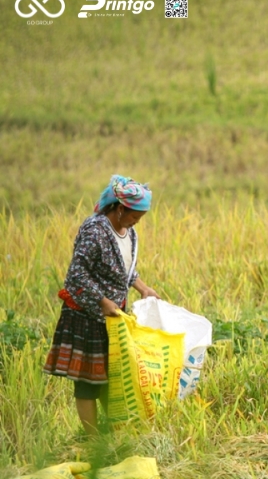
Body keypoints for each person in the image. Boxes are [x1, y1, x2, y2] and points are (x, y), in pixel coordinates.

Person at [43, 175, 159, 435]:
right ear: (119, 209)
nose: (137, 222)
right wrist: (103, 301)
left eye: (140, 217)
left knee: (112, 377)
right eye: (134, 216)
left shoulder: (129, 233)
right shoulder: (95, 231)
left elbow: (125, 270)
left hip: (113, 318)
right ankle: (93, 439)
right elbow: (76, 275)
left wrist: (143, 288)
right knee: (87, 381)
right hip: (86, 316)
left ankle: (113, 433)